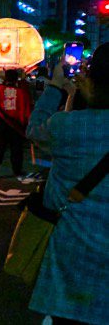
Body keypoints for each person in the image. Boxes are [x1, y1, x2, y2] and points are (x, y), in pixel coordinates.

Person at [26, 49, 108, 325]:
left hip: (71, 249)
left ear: (91, 81)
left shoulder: (66, 126)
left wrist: (55, 87)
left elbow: (34, 129)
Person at [0, 68, 33, 178]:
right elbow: (27, 111)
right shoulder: (22, 93)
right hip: (16, 125)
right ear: (16, 79)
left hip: (0, 124)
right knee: (16, 148)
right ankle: (17, 170)